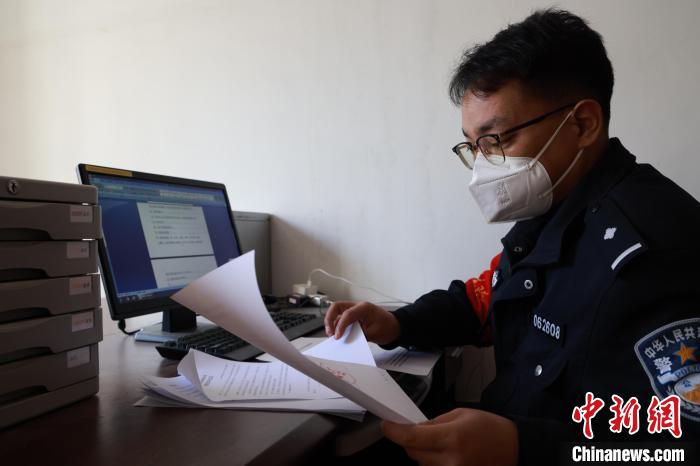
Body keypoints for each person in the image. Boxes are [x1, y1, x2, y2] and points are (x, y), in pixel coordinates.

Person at [324, 8, 700, 465]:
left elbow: (680, 450)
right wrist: (399, 323)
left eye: (497, 140)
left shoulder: (656, 251)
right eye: (473, 146)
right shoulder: (552, 206)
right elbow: (488, 301)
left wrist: (523, 449)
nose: (484, 166)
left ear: (583, 124)